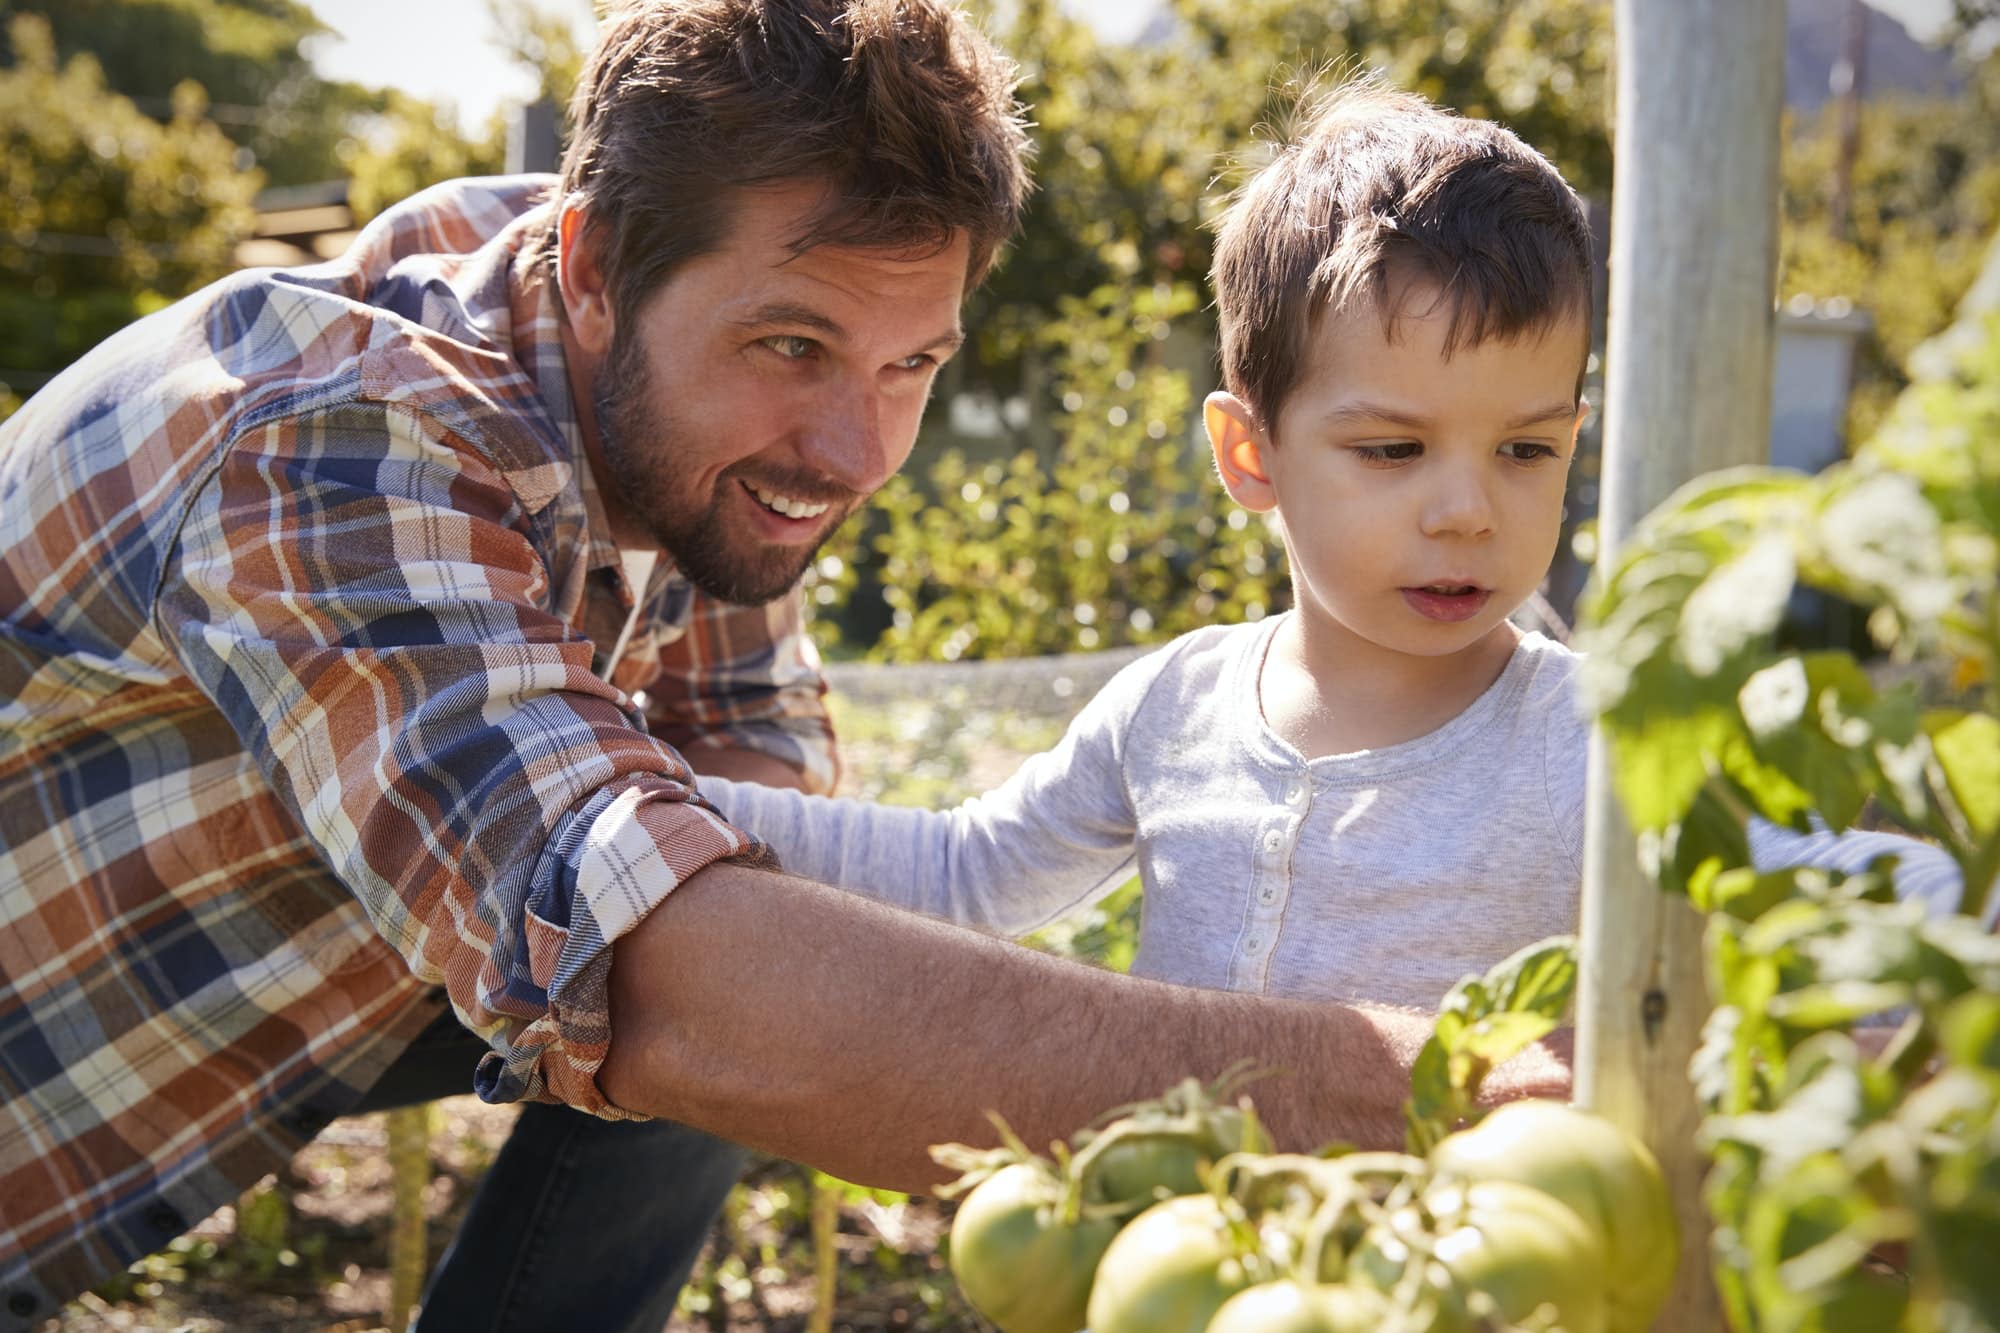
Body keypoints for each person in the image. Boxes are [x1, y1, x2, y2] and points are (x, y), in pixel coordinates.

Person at [0, 7, 1570, 1331]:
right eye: (795, 346)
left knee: (725, 950)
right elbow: (689, 976)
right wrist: (1406, 1080)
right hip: (47, 1128)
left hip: (234, 1029)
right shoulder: (333, 430)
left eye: (912, 365)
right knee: (688, 976)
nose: (853, 449)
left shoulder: (679, 405)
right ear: (596, 265)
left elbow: (756, 832)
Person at [697, 80, 1970, 1014]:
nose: (1467, 510)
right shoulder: (1172, 707)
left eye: (1524, 451)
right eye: (1392, 451)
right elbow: (965, 872)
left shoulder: (1595, 740)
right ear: (1249, 456)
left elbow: (1824, 890)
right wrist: (664, 794)